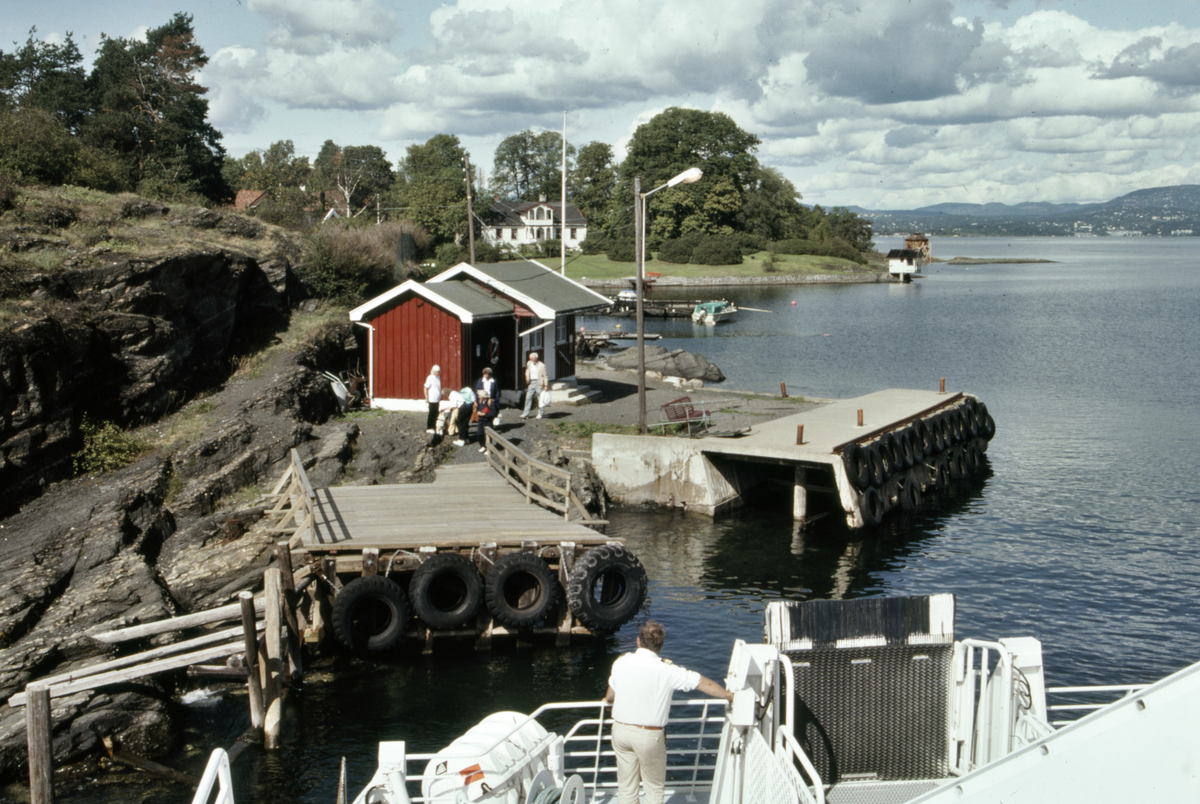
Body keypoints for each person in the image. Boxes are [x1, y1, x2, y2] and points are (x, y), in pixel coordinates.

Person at [603, 621, 734, 804]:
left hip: (621, 731)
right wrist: (729, 696)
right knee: (654, 788)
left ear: (638, 641)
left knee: (626, 786)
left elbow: (611, 693)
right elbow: (701, 682)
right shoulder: (667, 670)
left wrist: (608, 702)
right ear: (661, 645)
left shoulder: (621, 662)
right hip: (648, 735)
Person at [521, 352, 546, 419]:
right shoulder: (529, 363)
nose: (533, 360)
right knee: (528, 398)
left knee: (540, 398)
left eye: (534, 358)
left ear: (537, 358)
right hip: (531, 382)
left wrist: (545, 385)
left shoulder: (541, 365)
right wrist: (526, 377)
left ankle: (540, 413)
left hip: (538, 382)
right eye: (532, 358)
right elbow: (527, 371)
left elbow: (545, 375)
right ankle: (526, 413)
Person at [424, 365, 441, 433]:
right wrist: (426, 397)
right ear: (433, 371)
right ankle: (429, 427)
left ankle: (434, 426)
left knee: (436, 413)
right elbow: (425, 387)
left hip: (437, 399)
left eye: (439, 372)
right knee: (431, 413)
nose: (438, 373)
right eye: (437, 372)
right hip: (432, 399)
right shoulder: (430, 378)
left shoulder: (438, 378)